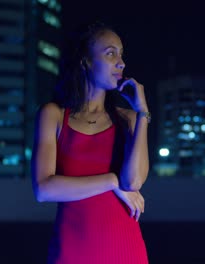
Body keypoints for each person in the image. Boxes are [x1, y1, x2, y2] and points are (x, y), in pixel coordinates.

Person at [31, 21, 150, 264]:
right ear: (85, 61)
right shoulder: (53, 115)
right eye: (110, 53)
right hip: (72, 250)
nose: (121, 62)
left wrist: (142, 113)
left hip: (125, 249)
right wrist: (111, 181)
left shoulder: (127, 119)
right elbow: (43, 189)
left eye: (121, 54)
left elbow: (134, 182)